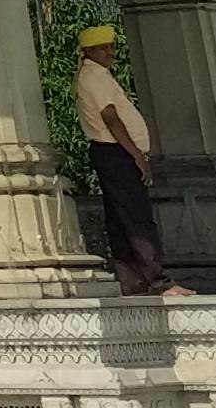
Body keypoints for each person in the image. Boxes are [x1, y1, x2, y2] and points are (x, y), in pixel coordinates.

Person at [74, 22, 188, 295]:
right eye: (103, 48)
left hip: (111, 152)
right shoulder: (94, 77)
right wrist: (136, 155)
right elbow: (110, 117)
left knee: (120, 217)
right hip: (115, 151)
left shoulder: (98, 75)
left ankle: (132, 281)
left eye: (112, 46)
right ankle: (158, 281)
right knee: (137, 217)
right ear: (88, 51)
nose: (110, 52)